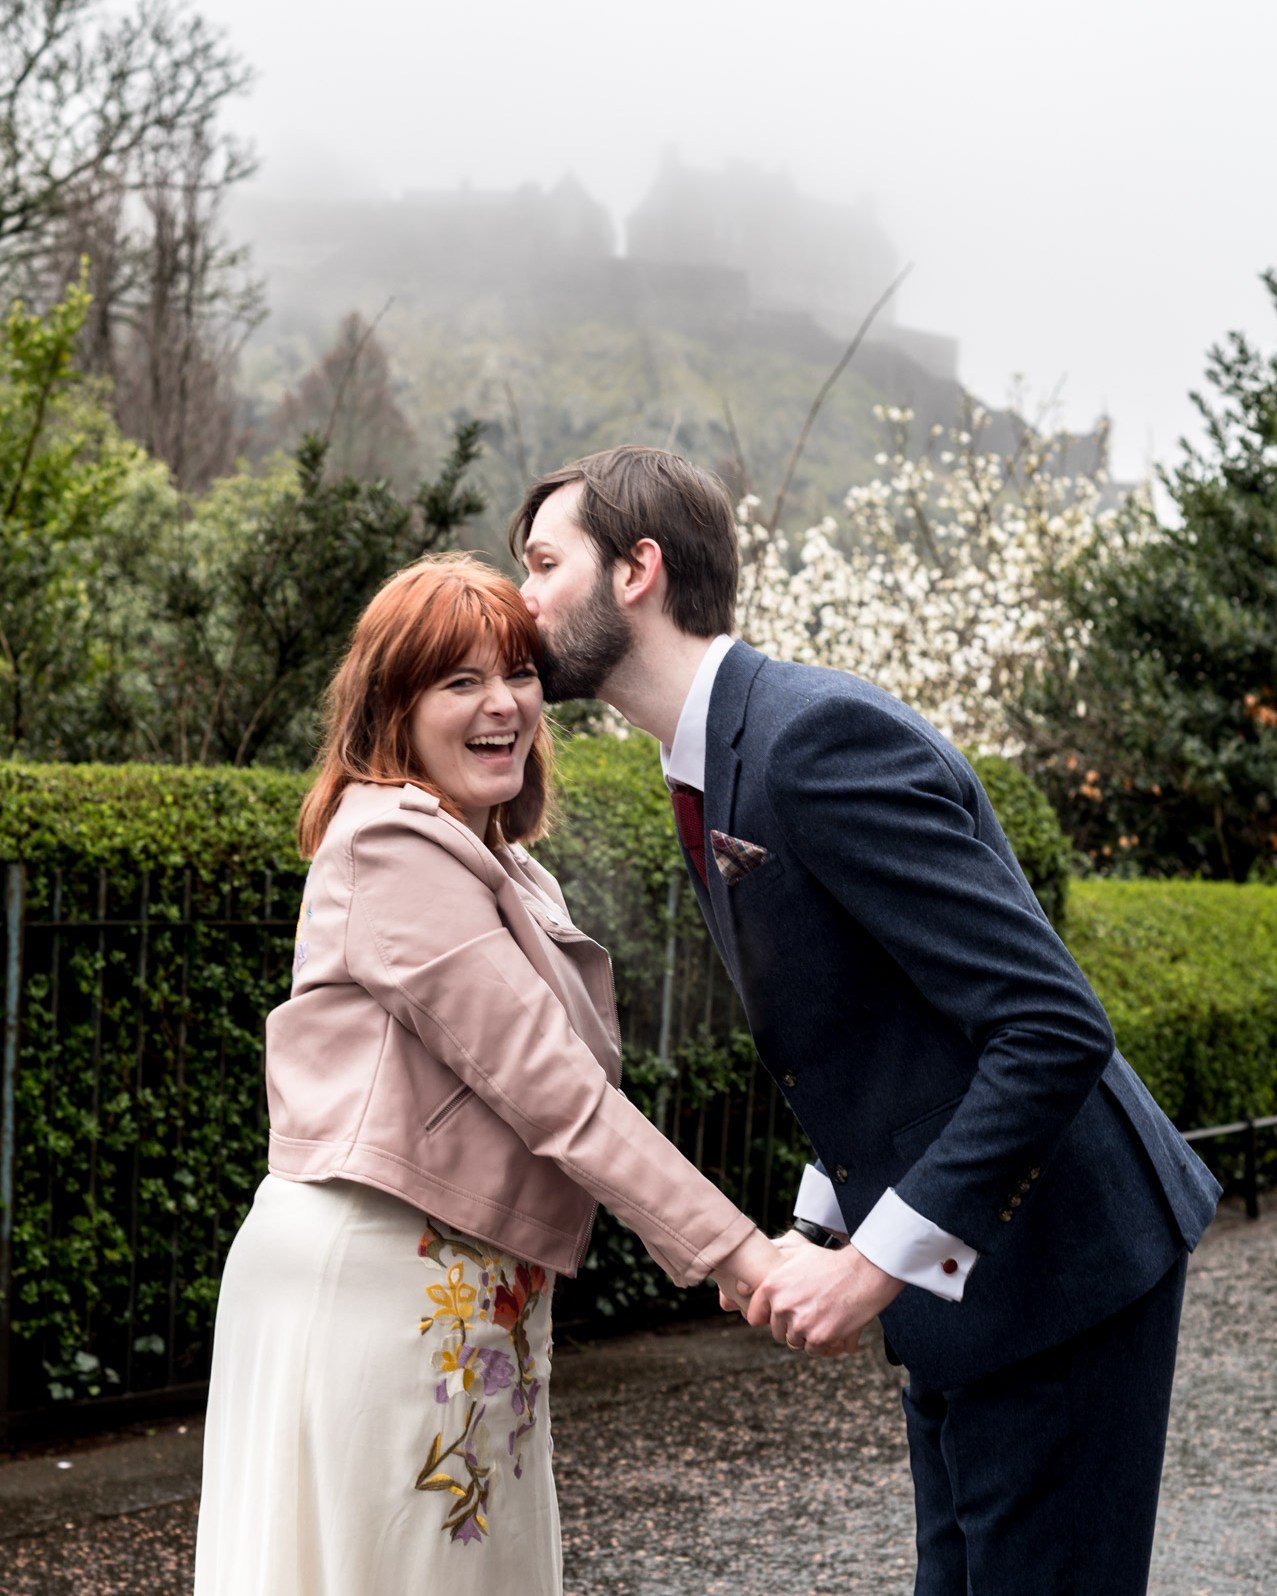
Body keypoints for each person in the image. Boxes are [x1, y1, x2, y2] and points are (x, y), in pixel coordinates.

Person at [512, 446, 1223, 1595]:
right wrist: (829, 1226)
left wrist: (875, 1268)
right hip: (974, 1292)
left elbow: (1047, 1025)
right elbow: (870, 1032)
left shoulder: (806, 743)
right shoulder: (710, 757)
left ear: (637, 570)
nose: (523, 598)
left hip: (1059, 1272)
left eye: (544, 563)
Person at [193, 552, 776, 1596]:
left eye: (515, 673)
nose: (502, 703)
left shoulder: (495, 859)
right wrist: (735, 1254)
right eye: (458, 681)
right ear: (392, 710)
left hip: (455, 1289)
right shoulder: (393, 846)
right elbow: (553, 1092)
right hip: (379, 1279)